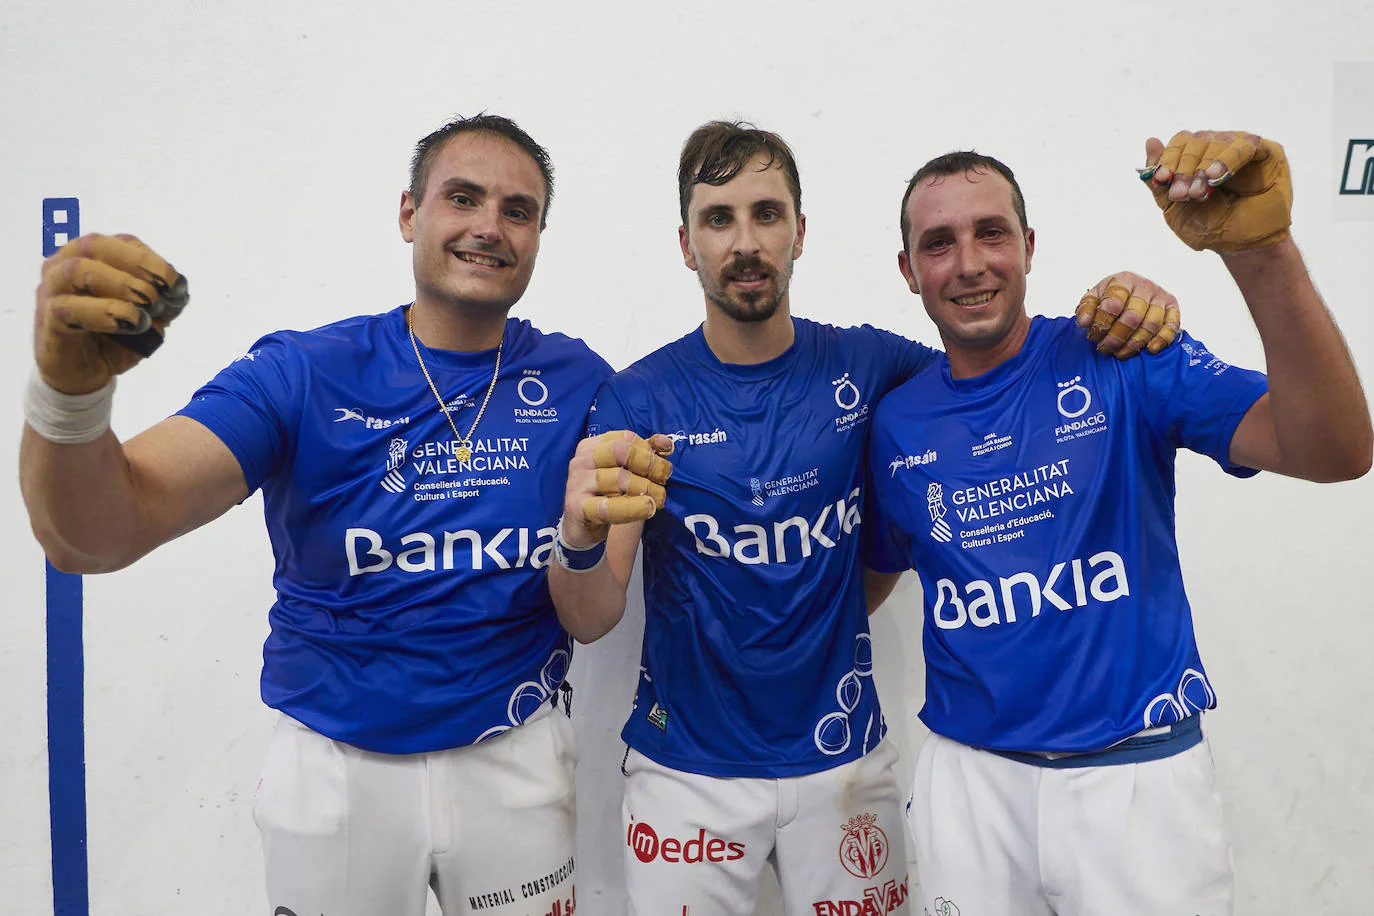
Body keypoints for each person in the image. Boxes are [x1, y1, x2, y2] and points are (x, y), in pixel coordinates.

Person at [547, 120, 1179, 916]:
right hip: (686, 777)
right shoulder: (639, 398)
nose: (745, 241)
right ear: (686, 243)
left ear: (800, 232)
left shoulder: (873, 367)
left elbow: (1000, 370)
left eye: (767, 214)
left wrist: (1129, 302)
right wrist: (576, 537)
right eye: (719, 218)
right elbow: (592, 615)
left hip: (845, 765)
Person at [20, 114, 601, 916]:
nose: (487, 227)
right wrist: (71, 399)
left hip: (517, 755)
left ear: (539, 234)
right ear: (409, 213)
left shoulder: (577, 380)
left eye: (517, 210)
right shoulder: (303, 373)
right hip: (336, 768)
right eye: (461, 198)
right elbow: (95, 534)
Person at [863, 131, 1373, 916]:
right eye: (939, 243)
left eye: (991, 233)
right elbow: (867, 575)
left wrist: (1265, 254)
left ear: (1029, 246)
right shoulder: (895, 421)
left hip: (1135, 783)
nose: (968, 263)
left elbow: (1337, 450)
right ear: (908, 271)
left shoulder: (1123, 351)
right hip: (968, 784)